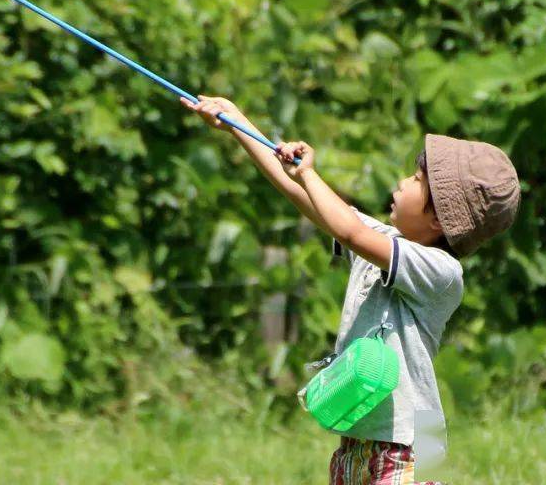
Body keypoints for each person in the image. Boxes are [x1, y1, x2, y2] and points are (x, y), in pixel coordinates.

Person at [182, 95, 520, 485]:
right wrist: (237, 122)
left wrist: (309, 174)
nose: (402, 182)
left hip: (409, 449)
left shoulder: (442, 272)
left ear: (440, 219)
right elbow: (305, 199)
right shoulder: (381, 242)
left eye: (416, 181)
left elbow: (348, 230)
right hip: (356, 444)